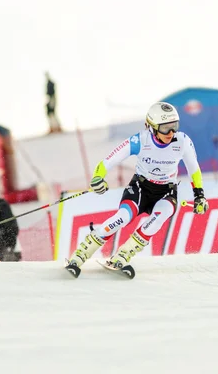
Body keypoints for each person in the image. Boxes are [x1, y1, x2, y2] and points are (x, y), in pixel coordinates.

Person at [65, 102, 209, 277]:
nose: (171, 133)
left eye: (174, 127)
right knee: (122, 218)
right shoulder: (140, 140)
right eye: (165, 128)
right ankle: (80, 255)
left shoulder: (183, 142)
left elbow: (194, 169)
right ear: (152, 127)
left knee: (156, 220)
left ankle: (122, 256)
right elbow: (108, 161)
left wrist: (199, 195)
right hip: (140, 188)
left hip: (167, 192)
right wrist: (98, 177)